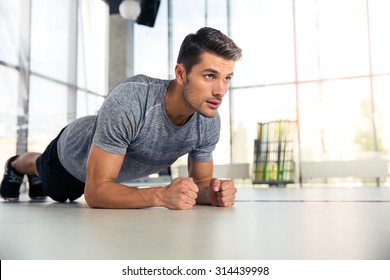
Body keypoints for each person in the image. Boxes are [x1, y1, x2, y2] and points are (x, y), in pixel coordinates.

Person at [0, 27, 242, 210]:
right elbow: (95, 192)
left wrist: (213, 192)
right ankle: (16, 164)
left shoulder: (208, 120)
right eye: (210, 76)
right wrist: (160, 195)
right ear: (181, 73)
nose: (221, 91)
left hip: (107, 179)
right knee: (44, 172)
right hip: (70, 158)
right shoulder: (133, 99)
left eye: (227, 78)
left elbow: (200, 183)